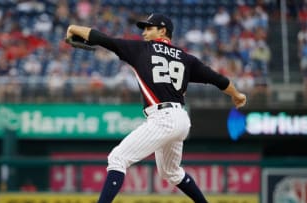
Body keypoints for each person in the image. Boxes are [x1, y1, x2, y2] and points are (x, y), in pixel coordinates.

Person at [65, 13, 246, 203]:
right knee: (171, 172)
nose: (144, 32)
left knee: (117, 158)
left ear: (163, 30)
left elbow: (102, 39)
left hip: (163, 118)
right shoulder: (186, 58)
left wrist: (72, 29)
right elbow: (218, 80)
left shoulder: (141, 49)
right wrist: (237, 95)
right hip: (181, 119)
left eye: (149, 28)